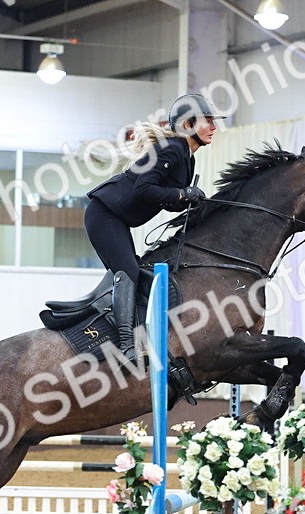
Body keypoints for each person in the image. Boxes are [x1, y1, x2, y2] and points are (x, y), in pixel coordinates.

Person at [85, 93, 224, 364]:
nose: (213, 127)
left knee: (132, 271)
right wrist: (183, 194)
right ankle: (127, 346)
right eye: (207, 121)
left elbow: (165, 199)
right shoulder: (172, 149)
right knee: (128, 273)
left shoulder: (186, 156)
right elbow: (144, 188)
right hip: (104, 215)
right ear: (188, 125)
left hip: (116, 219)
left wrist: (190, 201)